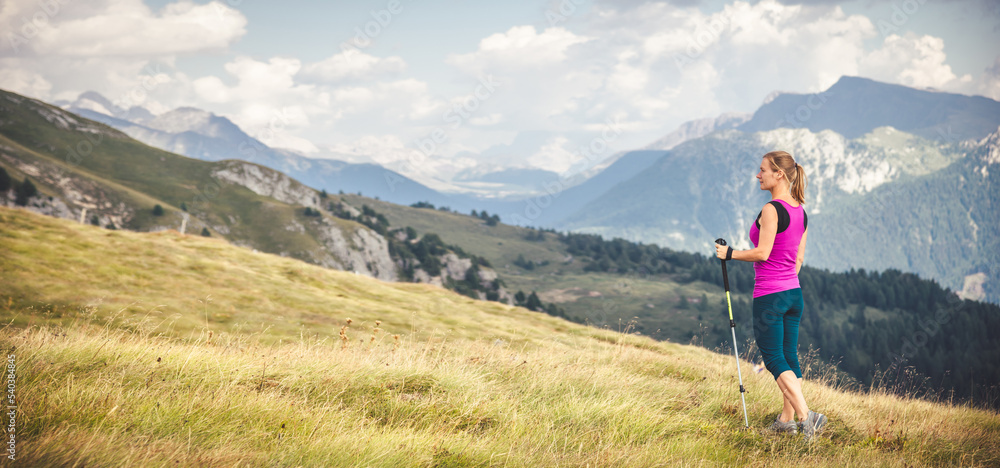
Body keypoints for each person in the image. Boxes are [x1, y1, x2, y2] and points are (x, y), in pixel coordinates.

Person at [715, 150, 826, 440]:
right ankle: (785, 421)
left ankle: (806, 417)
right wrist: (786, 280)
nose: (758, 174)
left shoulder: (771, 209)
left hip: (770, 295)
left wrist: (730, 254)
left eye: (762, 170)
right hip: (793, 293)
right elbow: (798, 259)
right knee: (790, 356)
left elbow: (762, 253)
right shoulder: (801, 210)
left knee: (774, 357)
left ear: (779, 174)